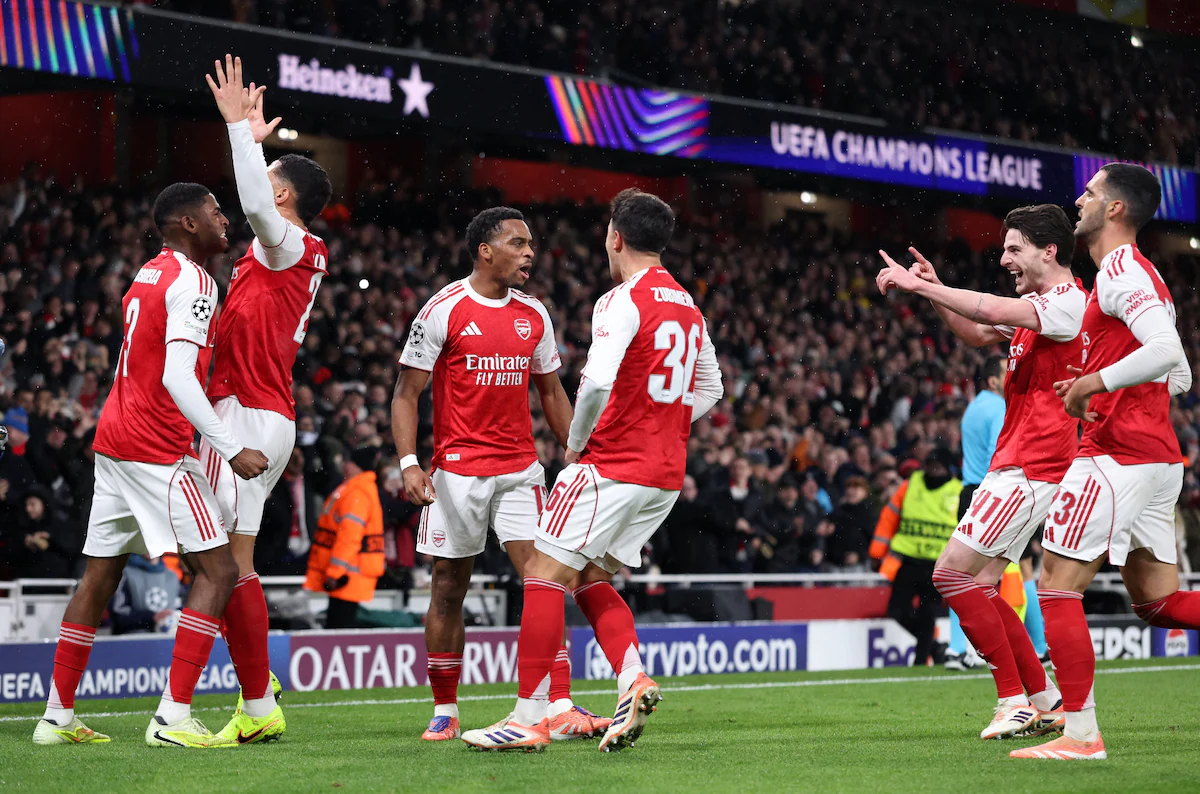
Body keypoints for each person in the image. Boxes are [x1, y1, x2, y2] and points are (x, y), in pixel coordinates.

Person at [463, 188, 722, 752]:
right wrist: (662, 422)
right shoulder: (687, 303)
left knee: (540, 572)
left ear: (615, 237)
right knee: (588, 579)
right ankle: (633, 680)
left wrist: (577, 445)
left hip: (611, 463)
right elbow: (711, 389)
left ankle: (529, 718)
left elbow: (597, 383)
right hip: (663, 475)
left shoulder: (620, 300)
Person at [31, 183, 269, 748]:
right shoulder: (194, 280)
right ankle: (172, 719)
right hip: (155, 447)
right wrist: (231, 448)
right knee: (220, 572)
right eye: (213, 212)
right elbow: (177, 377)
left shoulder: (149, 273)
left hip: (113, 438)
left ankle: (55, 718)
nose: (223, 220)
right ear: (187, 223)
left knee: (100, 574)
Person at [390, 206, 599, 742]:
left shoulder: (536, 315)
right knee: (447, 588)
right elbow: (406, 394)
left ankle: (558, 703)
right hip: (456, 474)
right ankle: (445, 709)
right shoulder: (444, 309)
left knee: (543, 580)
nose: (530, 252)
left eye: (530, 243)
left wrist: (578, 453)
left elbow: (551, 392)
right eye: (518, 242)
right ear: (485, 250)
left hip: (519, 471)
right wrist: (410, 463)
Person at [1013, 164, 1198, 760]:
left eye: (1090, 193)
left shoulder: (1119, 268)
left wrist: (1095, 385)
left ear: (1115, 209)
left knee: (1056, 587)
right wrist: (1123, 389)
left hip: (1119, 455)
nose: (1079, 199)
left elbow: (1168, 353)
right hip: (1155, 455)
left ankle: (1080, 735)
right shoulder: (1141, 275)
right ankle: (1078, 730)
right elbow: (1181, 375)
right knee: (1159, 603)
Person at [879, 204, 1081, 739]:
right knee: (984, 584)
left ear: (1049, 250)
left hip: (1032, 464)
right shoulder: (1036, 307)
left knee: (950, 573)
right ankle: (1044, 698)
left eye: (1015, 248)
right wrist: (937, 286)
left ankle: (1012, 698)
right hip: (1018, 463)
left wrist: (920, 288)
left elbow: (988, 305)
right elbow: (975, 330)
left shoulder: (1066, 303)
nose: (1005, 257)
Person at [201, 55, 333, 744]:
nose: (256, 188)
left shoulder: (289, 245)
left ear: (283, 199)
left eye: (269, 180)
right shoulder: (278, 250)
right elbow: (257, 198)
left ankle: (256, 701)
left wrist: (237, 134)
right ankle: (257, 688)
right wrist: (255, 146)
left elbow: (253, 199)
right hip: (253, 409)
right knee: (220, 563)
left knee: (226, 566)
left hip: (250, 414)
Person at [868, 447, 962, 667]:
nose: (932, 467)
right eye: (929, 463)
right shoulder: (910, 484)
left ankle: (921, 662)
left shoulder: (958, 491)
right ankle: (934, 648)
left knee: (928, 615)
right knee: (896, 611)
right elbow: (889, 518)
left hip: (938, 564)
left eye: (937, 463)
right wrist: (876, 553)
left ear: (946, 467)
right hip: (908, 559)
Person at [945, 355, 1006, 670]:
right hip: (991, 493)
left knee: (957, 573)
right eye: (1007, 371)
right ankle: (1032, 646)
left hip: (969, 492)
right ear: (993, 380)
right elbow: (1000, 451)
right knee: (1004, 573)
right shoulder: (998, 407)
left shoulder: (972, 409)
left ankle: (957, 648)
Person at [304, 444, 386, 628]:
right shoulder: (358, 490)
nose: (343, 466)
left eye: (346, 462)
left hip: (347, 575)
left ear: (353, 465)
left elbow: (350, 537)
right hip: (349, 572)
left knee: (339, 627)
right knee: (339, 624)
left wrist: (335, 572)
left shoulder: (356, 493)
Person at [109, 555, 183, 635]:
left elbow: (178, 608)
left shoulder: (172, 576)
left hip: (166, 641)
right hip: (132, 640)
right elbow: (118, 613)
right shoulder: (125, 574)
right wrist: (151, 618)